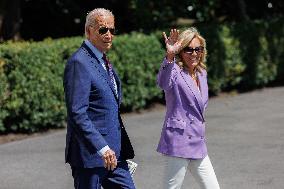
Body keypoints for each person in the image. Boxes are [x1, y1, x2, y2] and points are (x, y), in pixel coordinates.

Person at [63, 8, 136, 189]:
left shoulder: (102, 60)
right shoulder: (79, 63)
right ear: (89, 31)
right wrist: (102, 147)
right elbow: (77, 113)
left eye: (112, 30)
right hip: (91, 156)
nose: (109, 35)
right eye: (103, 30)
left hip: (115, 155)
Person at [156, 27, 220, 189]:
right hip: (179, 141)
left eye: (198, 49)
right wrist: (170, 55)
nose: (194, 53)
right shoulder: (175, 70)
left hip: (198, 142)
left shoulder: (202, 73)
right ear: (180, 51)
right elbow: (163, 83)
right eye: (188, 49)